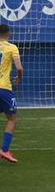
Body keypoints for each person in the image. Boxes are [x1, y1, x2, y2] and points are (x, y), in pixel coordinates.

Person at [0, 25, 23, 163]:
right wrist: (19, 77)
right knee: (12, 119)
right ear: (8, 34)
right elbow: (19, 67)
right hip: (4, 88)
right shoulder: (11, 47)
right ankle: (5, 150)